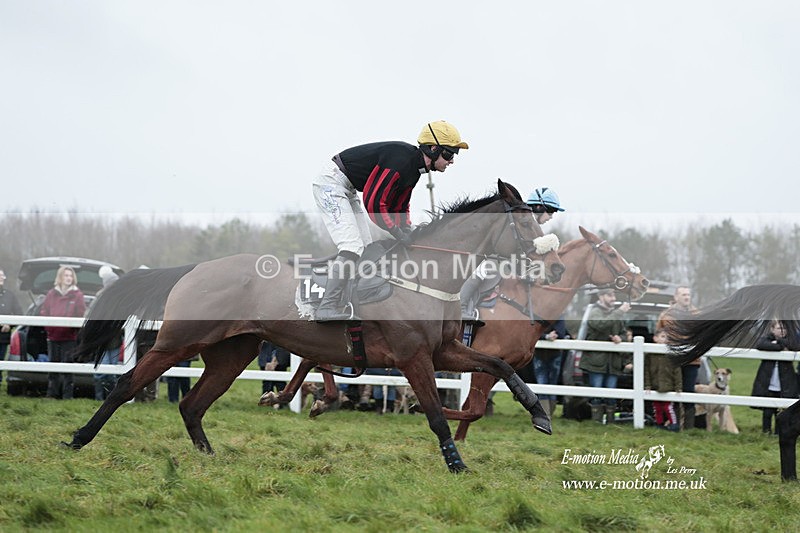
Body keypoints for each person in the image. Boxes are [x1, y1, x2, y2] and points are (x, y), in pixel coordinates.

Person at [313, 120, 468, 321]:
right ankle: (327, 306)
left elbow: (400, 206)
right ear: (432, 148)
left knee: (366, 249)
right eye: (449, 154)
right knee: (352, 247)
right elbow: (374, 204)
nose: (451, 161)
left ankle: (348, 300)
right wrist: (397, 232)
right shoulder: (402, 161)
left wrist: (408, 230)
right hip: (331, 184)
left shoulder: (415, 169)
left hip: (348, 189)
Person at [460, 187, 564, 321]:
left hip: (509, 263)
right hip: (493, 257)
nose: (551, 217)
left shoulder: (535, 229)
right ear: (538, 207)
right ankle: (461, 307)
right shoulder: (520, 219)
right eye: (550, 211)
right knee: (482, 270)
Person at [579, 287, 631, 422]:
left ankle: (610, 422)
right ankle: (596, 423)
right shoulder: (594, 312)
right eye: (610, 296)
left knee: (611, 394)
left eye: (614, 295)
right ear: (601, 297)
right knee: (597, 393)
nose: (613, 298)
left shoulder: (616, 314)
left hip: (613, 362)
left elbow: (624, 333)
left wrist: (621, 339)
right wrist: (619, 311)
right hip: (596, 361)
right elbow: (601, 325)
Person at [40, 266, 86, 399]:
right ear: (60, 277)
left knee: (68, 367)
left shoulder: (78, 295)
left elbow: (80, 313)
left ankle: (67, 396)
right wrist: (49, 328)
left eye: (70, 276)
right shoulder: (51, 294)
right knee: (53, 366)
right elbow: (44, 312)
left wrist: (72, 328)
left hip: (69, 337)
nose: (68, 278)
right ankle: (52, 394)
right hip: (53, 336)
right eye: (66, 275)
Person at [657, 285, 700, 429]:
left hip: (692, 360)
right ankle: (673, 425)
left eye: (688, 294)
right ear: (676, 297)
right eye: (683, 295)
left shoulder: (697, 314)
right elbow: (660, 333)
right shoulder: (666, 315)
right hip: (673, 360)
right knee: (673, 392)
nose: (687, 297)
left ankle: (689, 428)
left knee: (689, 392)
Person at [751, 320, 800, 435]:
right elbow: (761, 345)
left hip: (784, 385)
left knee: (781, 412)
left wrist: (776, 343)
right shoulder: (766, 338)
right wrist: (780, 345)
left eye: (784, 329)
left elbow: (795, 346)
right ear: (772, 329)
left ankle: (778, 433)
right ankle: (766, 432)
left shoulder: (791, 340)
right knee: (767, 412)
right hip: (769, 384)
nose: (782, 331)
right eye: (779, 328)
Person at [91, 266, 121, 400]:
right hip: (101, 340)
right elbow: (89, 315)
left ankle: (110, 398)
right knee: (101, 371)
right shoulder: (99, 298)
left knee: (112, 371)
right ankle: (99, 397)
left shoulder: (121, 299)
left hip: (115, 340)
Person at [645, 329, 682, 431]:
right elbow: (646, 371)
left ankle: (674, 424)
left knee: (668, 407)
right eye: (662, 336)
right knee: (657, 407)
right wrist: (647, 385)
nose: (665, 339)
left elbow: (677, 372)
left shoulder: (671, 354)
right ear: (655, 338)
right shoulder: (650, 354)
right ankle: (659, 423)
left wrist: (678, 386)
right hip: (655, 384)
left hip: (668, 385)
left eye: (666, 337)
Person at [533, 317, 569, 418]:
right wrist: (547, 336)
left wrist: (543, 335)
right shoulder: (537, 315)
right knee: (542, 383)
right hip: (539, 355)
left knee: (552, 384)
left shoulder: (559, 316)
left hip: (555, 355)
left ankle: (549, 414)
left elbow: (561, 333)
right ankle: (546, 415)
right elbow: (533, 332)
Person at [0, 268, 23, 383]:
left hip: (3, 336)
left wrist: (9, 324)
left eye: (2, 275)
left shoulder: (10, 296)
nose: (0, 277)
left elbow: (19, 314)